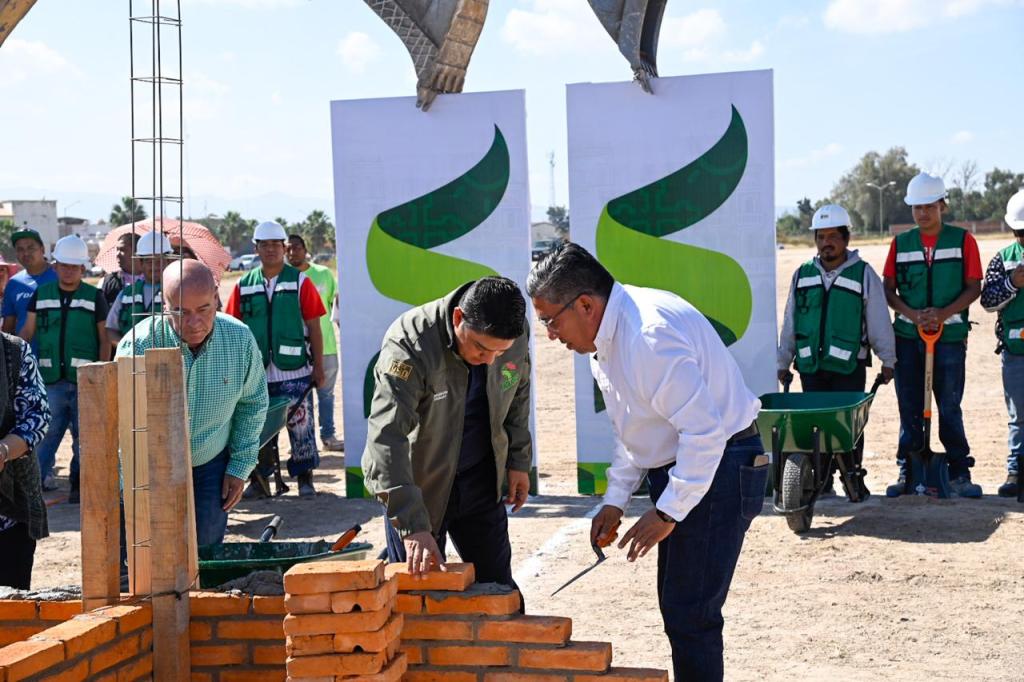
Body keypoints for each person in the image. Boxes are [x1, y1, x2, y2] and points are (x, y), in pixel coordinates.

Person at [527, 244, 767, 681]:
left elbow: (704, 433)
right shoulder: (608, 335)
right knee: (680, 605)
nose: (550, 334)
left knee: (691, 612)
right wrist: (616, 500)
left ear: (585, 304)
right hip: (694, 467)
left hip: (719, 467)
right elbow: (635, 428)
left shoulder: (648, 337)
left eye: (549, 320)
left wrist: (667, 511)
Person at [362, 277, 532, 585]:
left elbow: (517, 391)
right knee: (417, 595)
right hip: (421, 486)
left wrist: (518, 460)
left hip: (481, 481)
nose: (490, 359)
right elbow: (386, 437)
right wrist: (411, 525)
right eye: (481, 347)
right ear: (458, 319)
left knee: (498, 589)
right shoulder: (410, 344)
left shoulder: (513, 332)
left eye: (499, 351)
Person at [116, 260, 268, 545]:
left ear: (216, 298)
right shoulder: (137, 346)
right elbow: (119, 425)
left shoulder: (239, 340)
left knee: (206, 551)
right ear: (164, 304)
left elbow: (253, 404)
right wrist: (129, 488)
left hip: (210, 461)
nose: (194, 323)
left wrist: (240, 466)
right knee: (145, 554)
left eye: (203, 310)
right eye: (181, 312)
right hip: (150, 465)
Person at [777, 203, 896, 496]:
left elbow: (879, 320)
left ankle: (853, 479)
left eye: (833, 236)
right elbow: (791, 320)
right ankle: (822, 482)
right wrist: (783, 360)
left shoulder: (863, 275)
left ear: (846, 239)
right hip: (810, 366)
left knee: (848, 428)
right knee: (814, 427)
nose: (826, 242)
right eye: (821, 236)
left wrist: (888, 358)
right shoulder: (802, 274)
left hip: (848, 368)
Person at [882, 173, 982, 498]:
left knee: (949, 405)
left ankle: (959, 472)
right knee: (908, 404)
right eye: (916, 207)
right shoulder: (901, 243)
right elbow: (888, 289)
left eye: (928, 206)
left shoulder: (963, 240)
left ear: (942, 204)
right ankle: (908, 471)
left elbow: (974, 287)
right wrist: (913, 316)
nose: (922, 213)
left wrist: (942, 313)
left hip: (950, 338)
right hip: (908, 339)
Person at [225, 221, 325, 498]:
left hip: (295, 372)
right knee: (255, 430)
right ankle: (259, 481)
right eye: (264, 245)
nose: (270, 250)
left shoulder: (300, 282)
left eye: (275, 245)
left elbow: (314, 326)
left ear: (284, 248)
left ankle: (305, 478)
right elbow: (233, 329)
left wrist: (318, 367)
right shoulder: (243, 285)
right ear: (256, 248)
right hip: (255, 375)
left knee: (301, 425)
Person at [19, 236, 110, 499]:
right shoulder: (41, 295)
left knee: (86, 441)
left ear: (83, 268)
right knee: (45, 437)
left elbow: (104, 339)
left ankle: (80, 490)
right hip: (50, 383)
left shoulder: (95, 297)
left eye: (75, 266)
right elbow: (27, 331)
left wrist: (102, 374)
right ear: (55, 266)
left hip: (86, 383)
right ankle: (30, 490)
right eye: (64, 265)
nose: (69, 270)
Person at [0, 332, 52, 589]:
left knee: (10, 616)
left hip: (8, 514)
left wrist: (4, 450)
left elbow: (36, 417)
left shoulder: (14, 352)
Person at [981, 189, 1024, 498]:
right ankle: (1015, 471)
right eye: (1021, 233)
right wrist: (1012, 283)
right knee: (1018, 416)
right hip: (1015, 352)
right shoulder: (1003, 259)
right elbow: (987, 301)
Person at [286, 234, 344, 451]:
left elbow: (337, 309)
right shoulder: (284, 278)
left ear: (305, 249)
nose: (293, 253)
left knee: (326, 394)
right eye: (289, 249)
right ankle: (303, 441)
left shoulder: (323, 274)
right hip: (294, 352)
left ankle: (328, 436)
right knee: (299, 398)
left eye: (297, 248)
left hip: (326, 346)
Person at [106, 231, 173, 347]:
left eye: (159, 261)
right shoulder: (126, 294)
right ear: (140, 263)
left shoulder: (177, 292)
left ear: (168, 262)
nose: (155, 266)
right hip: (131, 361)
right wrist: (127, 347)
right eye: (149, 261)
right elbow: (111, 329)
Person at [1, 228, 57, 349]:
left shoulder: (59, 276)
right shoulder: (13, 283)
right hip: (26, 360)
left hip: (58, 358)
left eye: (31, 248)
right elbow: (8, 327)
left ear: (42, 249)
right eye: (20, 249)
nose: (25, 253)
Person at [101, 231, 142, 306]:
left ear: (137, 252)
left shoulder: (153, 279)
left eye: (122, 250)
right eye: (117, 250)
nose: (117, 254)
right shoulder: (111, 280)